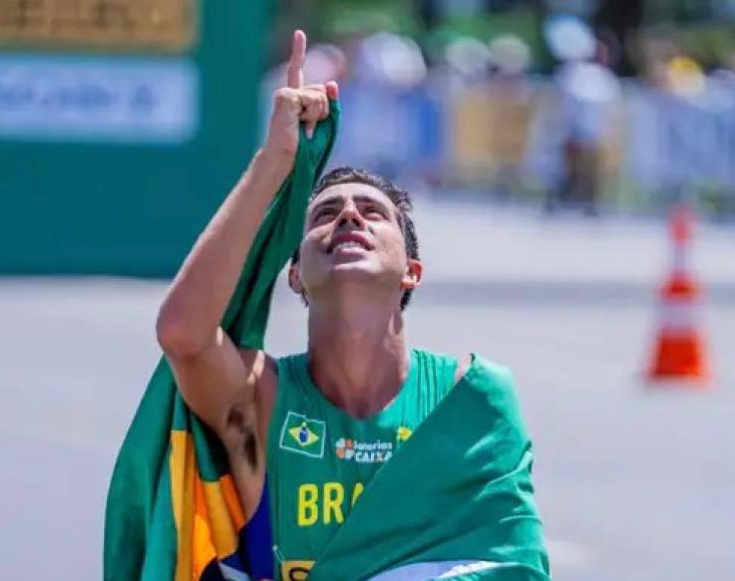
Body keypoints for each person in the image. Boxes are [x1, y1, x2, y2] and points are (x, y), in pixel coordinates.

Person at [155, 30, 537, 578]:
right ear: (295, 274)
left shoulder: (469, 397)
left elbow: (509, 564)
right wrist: (275, 162)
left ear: (412, 271)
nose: (350, 216)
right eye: (324, 214)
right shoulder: (261, 398)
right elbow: (184, 335)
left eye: (373, 213)